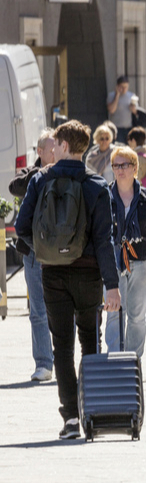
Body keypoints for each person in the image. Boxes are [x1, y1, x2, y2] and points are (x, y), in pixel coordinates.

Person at [14, 120, 121, 440]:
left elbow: (22, 227)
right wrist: (112, 284)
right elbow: (106, 240)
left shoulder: (41, 180)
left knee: (61, 345)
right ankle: (91, 410)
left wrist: (46, 252)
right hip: (88, 272)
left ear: (61, 146)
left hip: (53, 273)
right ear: (85, 147)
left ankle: (70, 418)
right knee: (90, 339)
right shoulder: (97, 184)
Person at [105, 146, 146, 356]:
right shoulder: (105, 196)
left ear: (135, 168)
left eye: (124, 165)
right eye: (116, 165)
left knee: (136, 314)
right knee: (114, 312)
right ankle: (115, 357)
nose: (120, 170)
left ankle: (133, 359)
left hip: (141, 262)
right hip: (114, 261)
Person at [7, 130, 55, 382]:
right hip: (34, 252)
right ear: (40, 152)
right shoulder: (28, 173)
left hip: (61, 253)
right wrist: (41, 173)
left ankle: (63, 359)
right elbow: (14, 187)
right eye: (51, 149)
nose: (56, 153)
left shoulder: (65, 171)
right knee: (38, 310)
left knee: (62, 310)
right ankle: (44, 364)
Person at [106, 76, 136, 144]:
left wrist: (133, 109)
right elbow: (111, 110)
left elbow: (136, 112)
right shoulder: (111, 95)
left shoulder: (131, 96)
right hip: (116, 128)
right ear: (117, 86)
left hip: (128, 127)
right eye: (122, 87)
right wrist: (117, 95)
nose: (124, 89)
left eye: (126, 87)